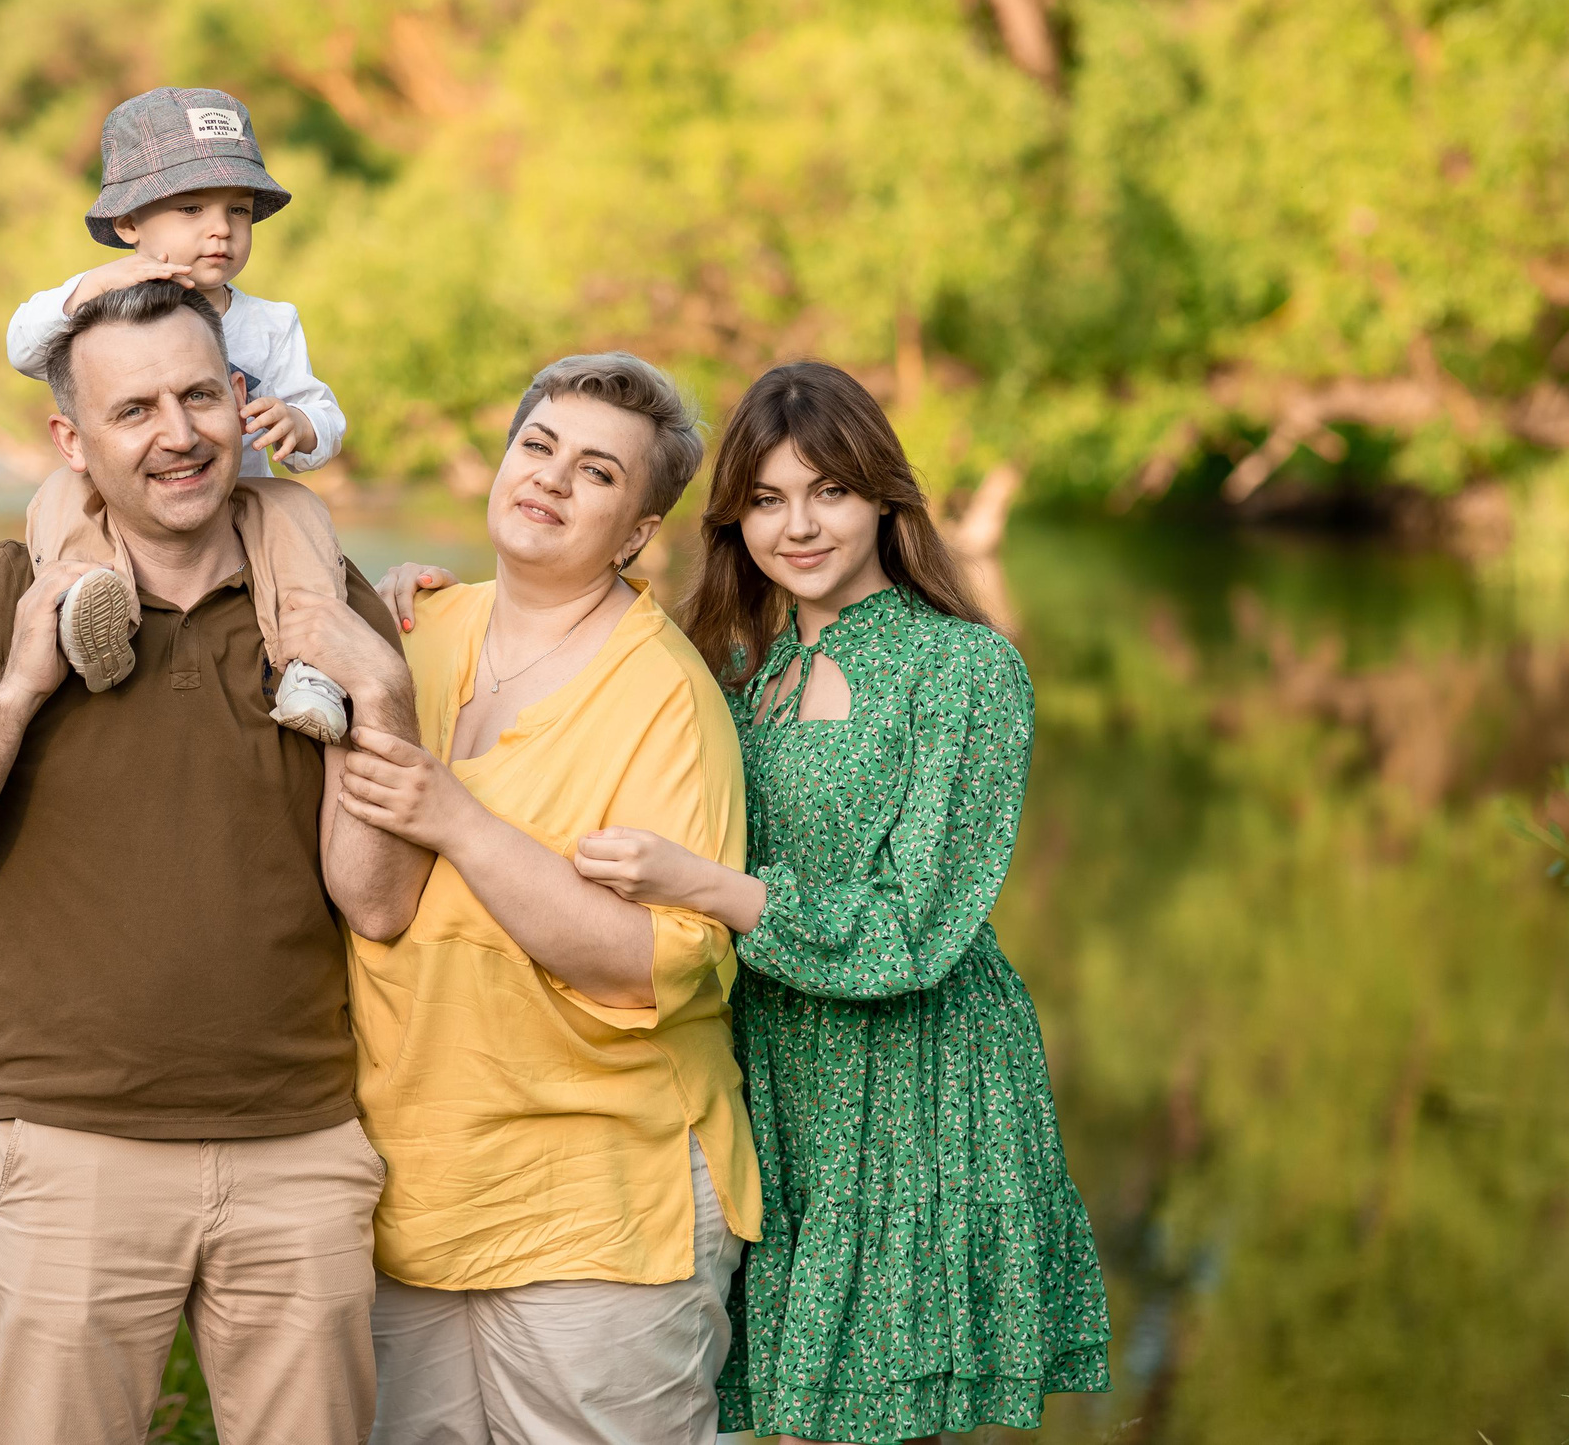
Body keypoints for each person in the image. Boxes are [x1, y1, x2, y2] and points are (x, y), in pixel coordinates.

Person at [0, 279, 434, 1445]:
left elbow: (376, 902)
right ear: (71, 441)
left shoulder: (317, 599)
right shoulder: (0, 594)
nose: (180, 435)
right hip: (74, 1156)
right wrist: (19, 685)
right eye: (135, 411)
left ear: (238, 398)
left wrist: (385, 690)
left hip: (300, 1154)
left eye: (201, 396)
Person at [576, 361, 1112, 1440]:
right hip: (759, 1066)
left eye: (829, 492)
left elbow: (913, 927)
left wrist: (707, 889)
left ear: (882, 498)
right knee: (749, 1405)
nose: (799, 526)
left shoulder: (960, 670)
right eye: (767, 500)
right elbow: (569, 665)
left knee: (870, 1418)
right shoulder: (729, 663)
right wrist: (415, 598)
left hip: (907, 1075)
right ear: (734, 519)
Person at [342, 352, 760, 1445]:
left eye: (596, 474)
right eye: (537, 448)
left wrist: (462, 822)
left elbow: (658, 962)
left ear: (633, 532)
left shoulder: (665, 698)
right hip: (414, 1181)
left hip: (600, 1200)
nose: (550, 480)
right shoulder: (411, 634)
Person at [3, 85, 354, 741]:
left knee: (298, 512)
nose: (220, 228)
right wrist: (86, 289)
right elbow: (22, 345)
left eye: (238, 210)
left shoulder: (269, 324)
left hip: (233, 492)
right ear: (130, 223)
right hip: (132, 495)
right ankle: (89, 602)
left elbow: (324, 414)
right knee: (60, 495)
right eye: (192, 207)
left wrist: (299, 426)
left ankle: (310, 662)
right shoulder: (103, 303)